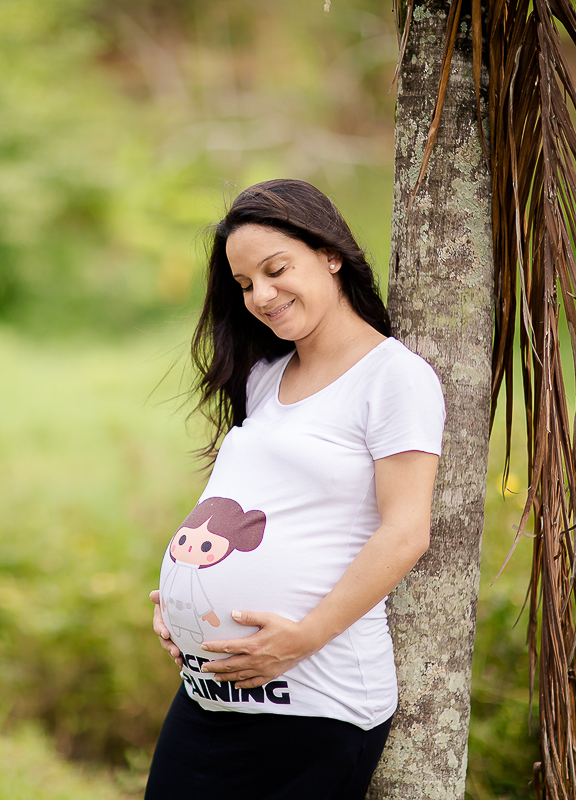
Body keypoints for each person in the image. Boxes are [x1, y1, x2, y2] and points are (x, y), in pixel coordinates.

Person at [145, 179, 445, 799]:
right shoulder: (263, 377)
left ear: (329, 252)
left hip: (313, 705)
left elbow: (406, 531)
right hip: (208, 703)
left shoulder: (394, 378)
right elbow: (242, 509)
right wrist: (184, 596)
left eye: (276, 270)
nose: (261, 295)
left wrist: (300, 641)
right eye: (245, 283)